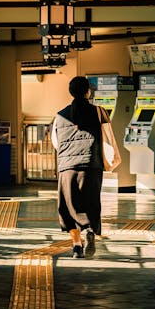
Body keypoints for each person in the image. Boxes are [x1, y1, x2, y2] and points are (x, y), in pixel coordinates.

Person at [51, 75, 111, 259]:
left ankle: (77, 245)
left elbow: (55, 142)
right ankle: (90, 230)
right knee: (91, 203)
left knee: (68, 207)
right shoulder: (99, 112)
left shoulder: (60, 115)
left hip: (67, 167)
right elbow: (108, 138)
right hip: (91, 165)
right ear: (88, 92)